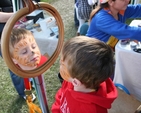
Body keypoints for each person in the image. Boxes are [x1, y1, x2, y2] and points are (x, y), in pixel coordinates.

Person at [51, 36, 117, 113]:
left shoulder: (93, 110)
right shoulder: (73, 77)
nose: (60, 64)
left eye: (62, 64)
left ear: (76, 82)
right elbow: (61, 94)